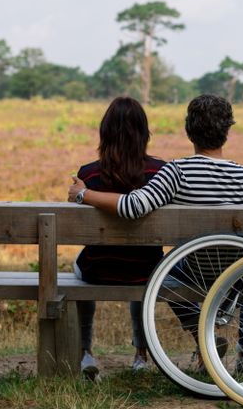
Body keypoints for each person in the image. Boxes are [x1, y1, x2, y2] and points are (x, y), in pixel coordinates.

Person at [69, 94, 243, 374]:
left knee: (159, 271)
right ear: (227, 131)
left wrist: (83, 194)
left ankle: (202, 331)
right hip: (240, 271)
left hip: (196, 268)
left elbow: (134, 206)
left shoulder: (176, 172)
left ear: (188, 132)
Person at [71, 96, 166, 381]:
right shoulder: (160, 173)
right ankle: (140, 356)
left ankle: (85, 352)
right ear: (144, 133)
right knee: (143, 268)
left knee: (76, 269)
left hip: (98, 270)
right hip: (147, 271)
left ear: (105, 132)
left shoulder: (87, 175)